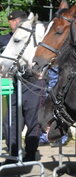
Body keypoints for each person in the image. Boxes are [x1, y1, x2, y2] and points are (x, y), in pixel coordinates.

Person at [0, 10, 44, 163]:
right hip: (12, 83)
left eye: (15, 21)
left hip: (32, 81)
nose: (12, 24)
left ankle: (31, 153)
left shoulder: (33, 37)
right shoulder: (5, 39)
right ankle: (13, 153)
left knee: (33, 118)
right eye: (11, 21)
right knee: (10, 119)